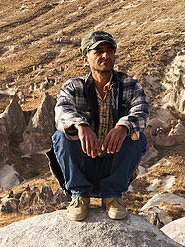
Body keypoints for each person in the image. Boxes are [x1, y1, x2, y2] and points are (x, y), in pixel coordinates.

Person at [50, 30, 148, 221]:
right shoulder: (73, 87)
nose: (105, 55)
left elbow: (142, 113)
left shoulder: (130, 86)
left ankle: (112, 196)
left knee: (137, 136)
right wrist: (80, 126)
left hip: (113, 163)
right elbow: (62, 112)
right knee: (61, 136)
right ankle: (79, 195)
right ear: (86, 59)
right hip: (83, 163)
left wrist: (123, 127)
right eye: (98, 51)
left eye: (109, 50)